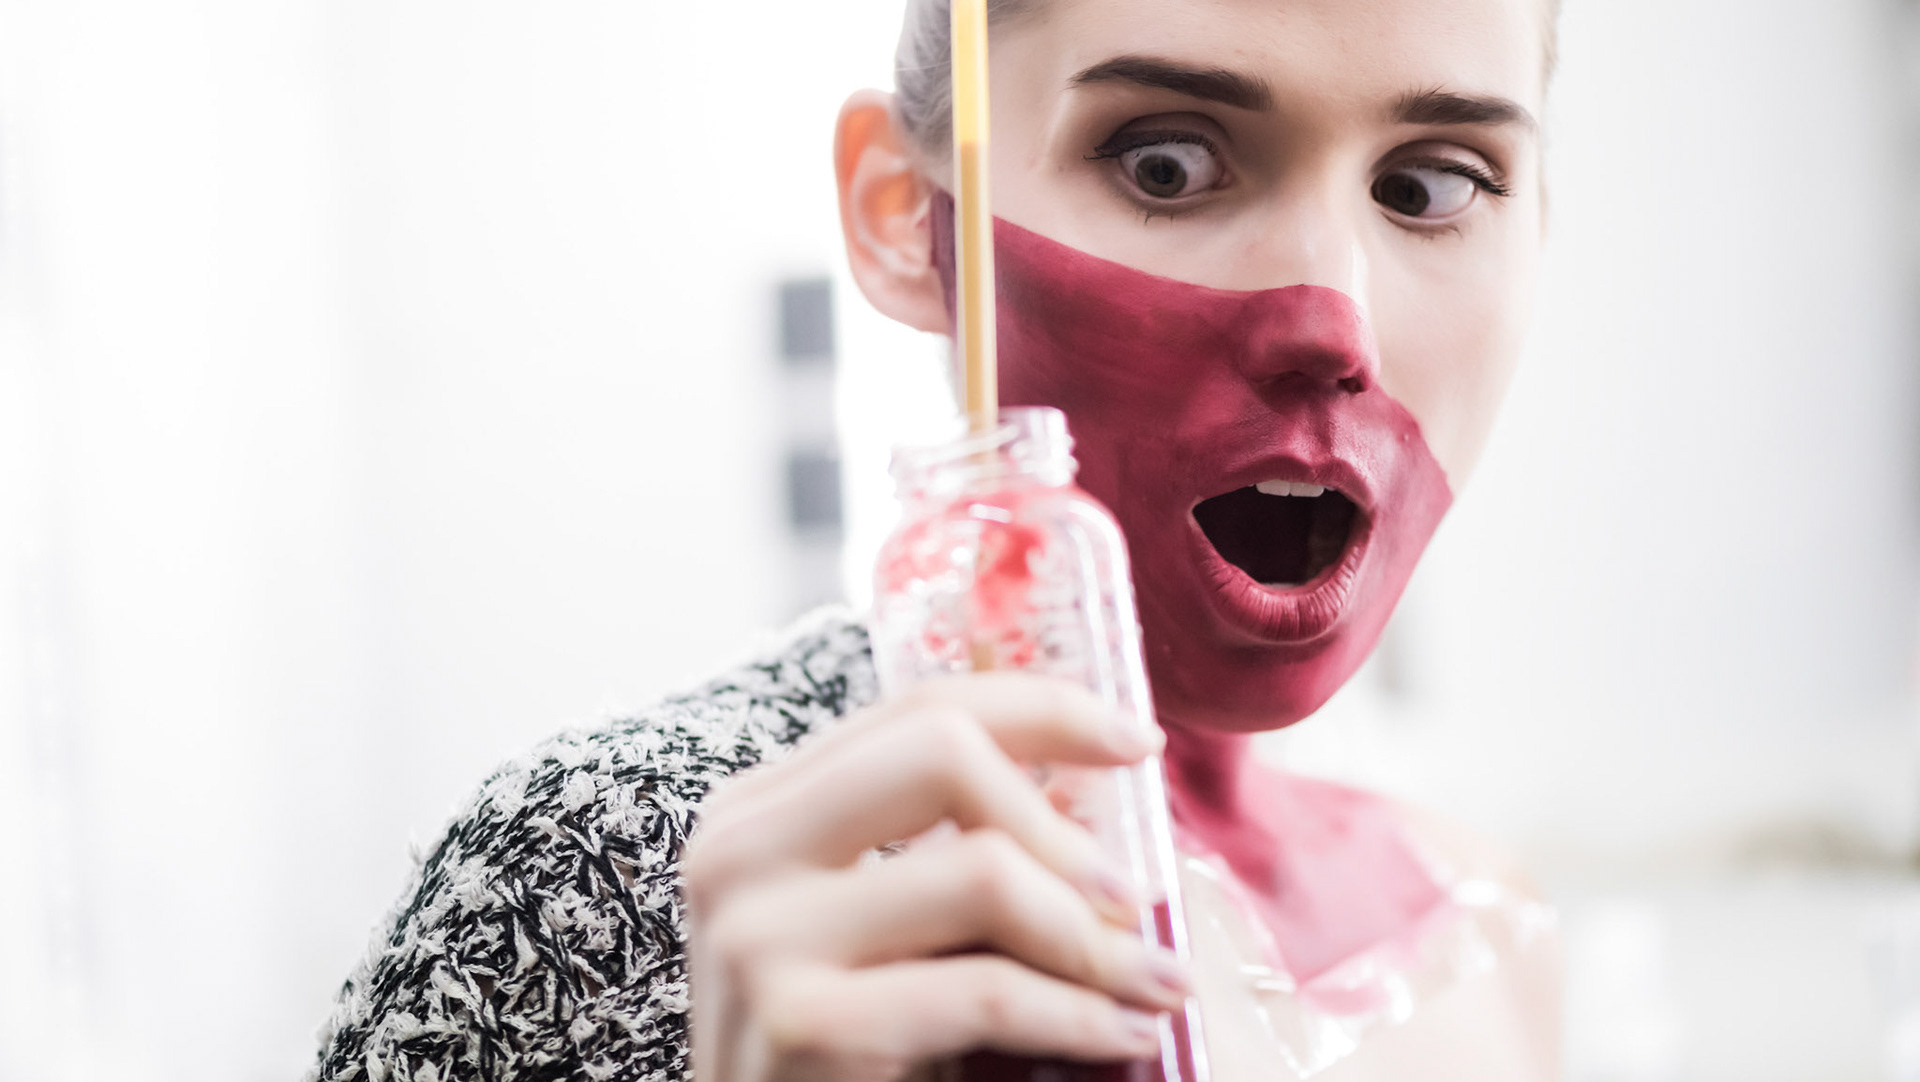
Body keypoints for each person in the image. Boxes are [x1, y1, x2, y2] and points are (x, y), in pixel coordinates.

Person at [309, 0, 1562, 1079]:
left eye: (1429, 186)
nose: (1332, 323)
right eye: (1167, 164)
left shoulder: (1480, 931)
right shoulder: (629, 872)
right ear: (906, 213)